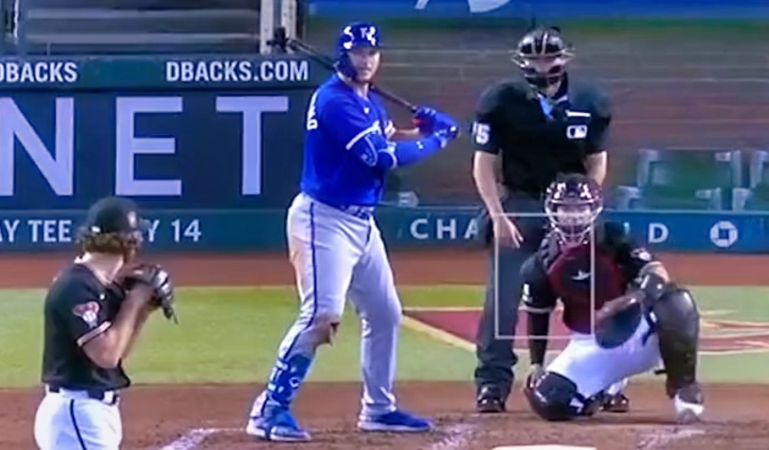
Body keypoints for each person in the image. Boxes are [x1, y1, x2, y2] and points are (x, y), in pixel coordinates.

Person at [245, 21, 459, 442]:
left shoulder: (369, 103)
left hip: (362, 223)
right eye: (358, 52)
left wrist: (425, 129)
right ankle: (269, 411)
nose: (366, 59)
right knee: (321, 316)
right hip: (323, 220)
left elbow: (390, 136)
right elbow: (379, 157)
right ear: (343, 55)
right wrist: (439, 141)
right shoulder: (333, 100)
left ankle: (378, 409)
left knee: (384, 313)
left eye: (372, 52)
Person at [470, 25, 612, 413]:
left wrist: (585, 208)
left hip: (572, 209)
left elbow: (596, 162)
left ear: (564, 58)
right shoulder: (500, 101)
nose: (541, 64)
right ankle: (492, 384)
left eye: (548, 57)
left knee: (596, 295)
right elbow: (483, 164)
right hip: (520, 204)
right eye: (533, 58)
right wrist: (498, 216)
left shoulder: (590, 101)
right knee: (502, 300)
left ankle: (603, 381)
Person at [520, 173, 704, 424]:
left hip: (637, 329)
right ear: (553, 211)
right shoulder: (540, 263)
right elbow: (537, 313)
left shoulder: (615, 236)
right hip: (590, 342)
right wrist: (536, 364)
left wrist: (624, 302)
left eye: (581, 208)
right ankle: (602, 390)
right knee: (549, 401)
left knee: (676, 301)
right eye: (567, 208)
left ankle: (684, 388)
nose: (574, 216)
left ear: (593, 210)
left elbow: (656, 273)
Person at [33, 196, 176, 450]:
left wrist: (141, 311)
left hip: (92, 412)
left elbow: (117, 353)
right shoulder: (77, 286)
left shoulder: (100, 285)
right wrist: (134, 301)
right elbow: (105, 356)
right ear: (129, 242)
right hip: (77, 411)